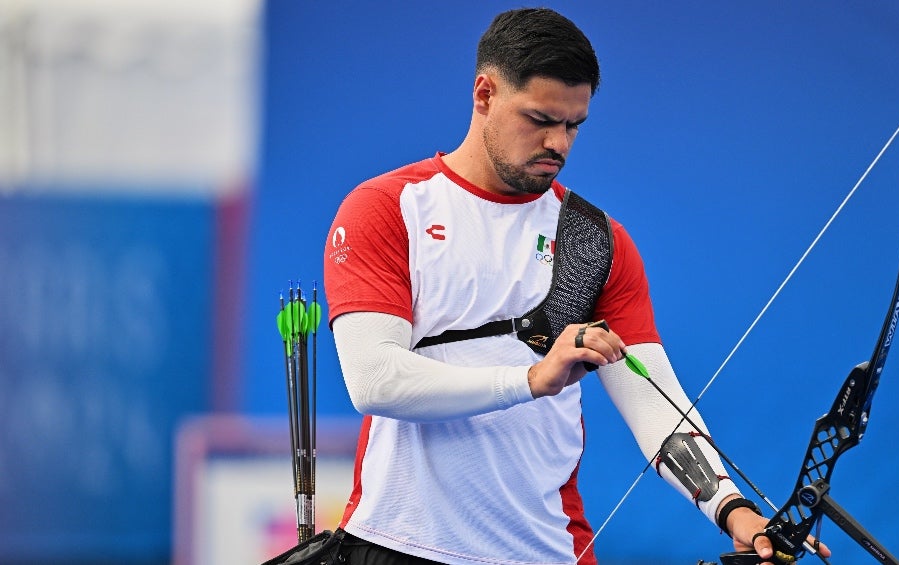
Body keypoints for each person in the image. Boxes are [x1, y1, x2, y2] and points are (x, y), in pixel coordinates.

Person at [323, 8, 830, 565]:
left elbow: (654, 401)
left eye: (573, 125)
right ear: (484, 93)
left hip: (545, 549)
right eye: (539, 118)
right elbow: (375, 379)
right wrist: (531, 378)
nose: (558, 143)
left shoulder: (595, 242)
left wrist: (731, 508)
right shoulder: (387, 208)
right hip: (397, 542)